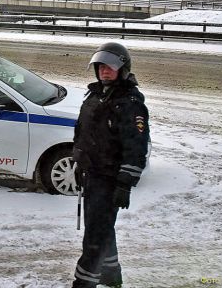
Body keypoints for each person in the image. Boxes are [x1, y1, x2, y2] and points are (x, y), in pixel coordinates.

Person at [71, 42, 150, 288]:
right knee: (102, 228)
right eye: (101, 67)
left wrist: (125, 184)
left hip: (110, 180)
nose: (105, 71)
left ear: (123, 69)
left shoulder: (130, 103)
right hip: (92, 175)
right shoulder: (96, 95)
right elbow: (83, 132)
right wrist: (78, 162)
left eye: (110, 68)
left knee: (95, 235)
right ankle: (110, 275)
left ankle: (84, 283)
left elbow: (136, 146)